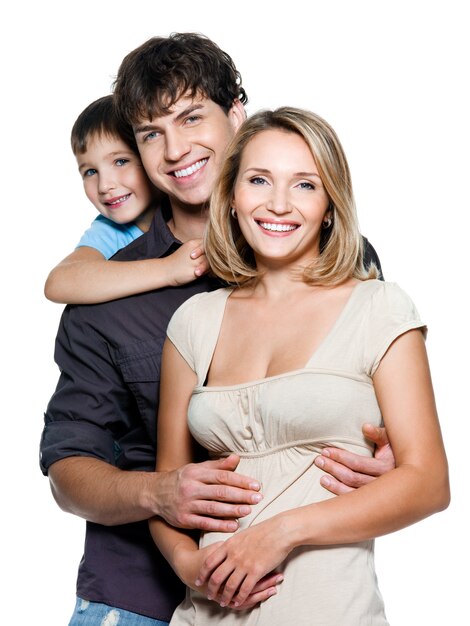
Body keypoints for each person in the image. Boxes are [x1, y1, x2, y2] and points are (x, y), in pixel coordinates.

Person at [40, 33, 386, 626]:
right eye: (151, 134)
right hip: (136, 595)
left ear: (236, 116)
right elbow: (69, 471)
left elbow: (386, 417)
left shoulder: (338, 261)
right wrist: (158, 492)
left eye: (192, 118)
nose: (176, 150)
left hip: (294, 588)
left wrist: (386, 461)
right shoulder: (106, 296)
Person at [149, 107, 450, 625]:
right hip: (205, 613)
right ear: (233, 196)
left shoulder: (379, 308)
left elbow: (429, 483)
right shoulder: (193, 321)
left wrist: (280, 533)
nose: (279, 204)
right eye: (259, 179)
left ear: (331, 205)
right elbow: (169, 490)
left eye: (305, 185)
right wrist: (189, 564)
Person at [44, 94, 208, 305]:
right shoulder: (111, 230)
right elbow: (59, 282)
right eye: (91, 172)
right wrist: (168, 269)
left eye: (121, 161)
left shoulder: (190, 203)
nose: (105, 186)